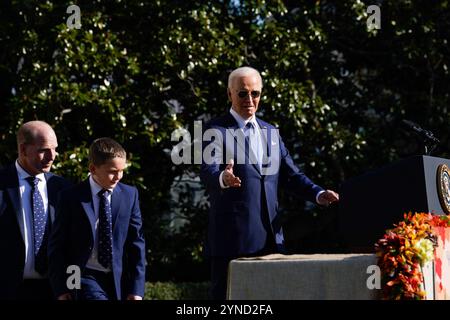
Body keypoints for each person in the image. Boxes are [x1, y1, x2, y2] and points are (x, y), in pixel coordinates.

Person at [200, 66, 340, 300]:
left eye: (255, 93)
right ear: (229, 94)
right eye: (242, 93)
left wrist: (318, 193)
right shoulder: (215, 130)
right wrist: (222, 178)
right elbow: (208, 171)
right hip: (233, 240)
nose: (250, 99)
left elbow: (291, 175)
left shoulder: (270, 132)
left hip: (272, 240)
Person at [48, 137, 146, 300]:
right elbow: (57, 245)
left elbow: (136, 243)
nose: (119, 176)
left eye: (122, 170)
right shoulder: (70, 197)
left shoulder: (130, 195)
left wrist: (136, 289)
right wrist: (61, 289)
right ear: (93, 169)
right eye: (113, 171)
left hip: (117, 278)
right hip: (81, 276)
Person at [0, 120, 71, 300]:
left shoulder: (63, 188)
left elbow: (75, 246)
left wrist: (75, 288)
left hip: (56, 292)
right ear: (23, 150)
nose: (52, 156)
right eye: (43, 150)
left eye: (55, 149)